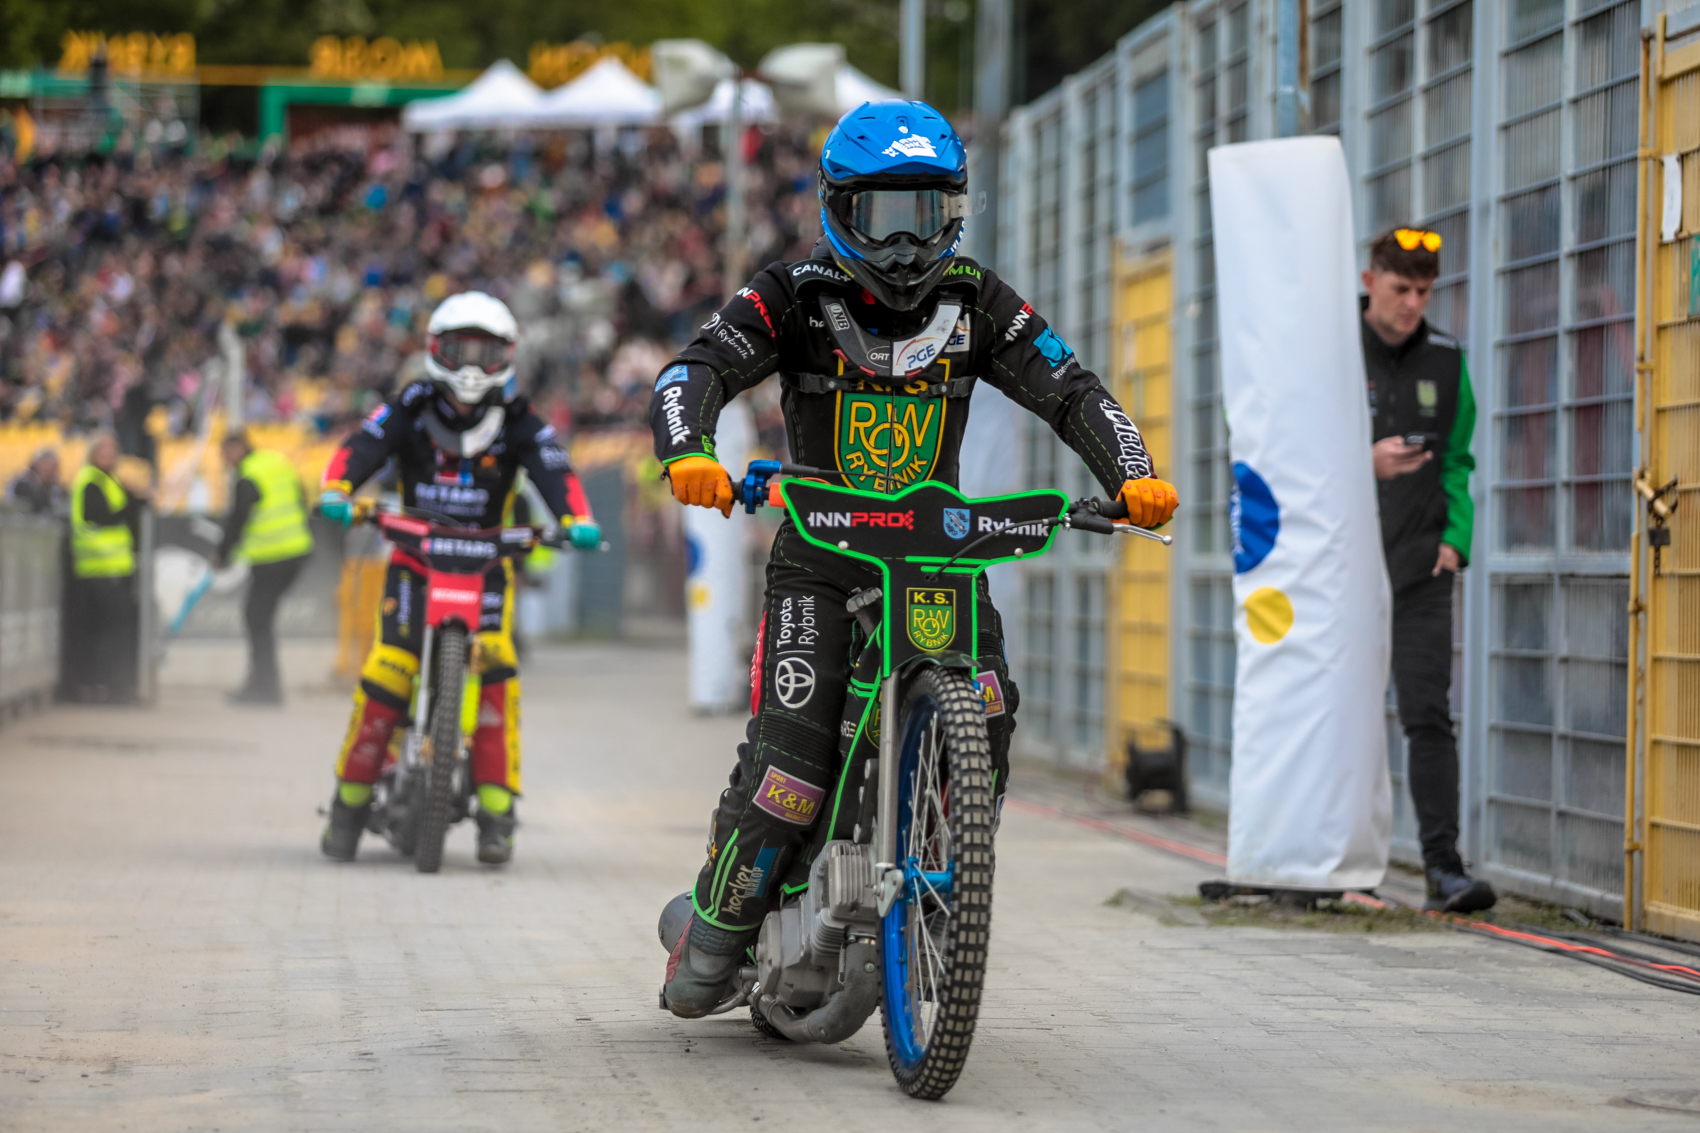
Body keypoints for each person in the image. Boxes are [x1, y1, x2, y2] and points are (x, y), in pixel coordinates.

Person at [651, 100, 1180, 1017]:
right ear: (836, 209)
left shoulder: (981, 300)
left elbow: (1071, 388)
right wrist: (689, 451)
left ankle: (942, 896)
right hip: (821, 555)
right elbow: (692, 370)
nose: (905, 246)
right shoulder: (790, 292)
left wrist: (1133, 471)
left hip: (941, 558)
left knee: (990, 712)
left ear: (956, 212)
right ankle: (714, 931)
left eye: (926, 215)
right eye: (883, 216)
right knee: (790, 769)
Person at [315, 291, 601, 865]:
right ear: (434, 351)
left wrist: (577, 519)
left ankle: (497, 816)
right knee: (387, 674)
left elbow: (555, 470)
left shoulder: (520, 420)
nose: (471, 366)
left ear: (508, 356)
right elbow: (362, 446)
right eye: (459, 349)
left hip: (487, 568)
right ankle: (347, 809)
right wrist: (338, 488)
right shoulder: (410, 405)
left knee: (495, 675)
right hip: (413, 563)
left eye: (485, 352)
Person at [1361, 226, 1494, 914]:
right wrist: (1365, 461)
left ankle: (1444, 869)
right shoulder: (1332, 348)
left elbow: (1459, 458)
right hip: (1346, 567)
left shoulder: (1446, 358)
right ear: (1369, 282)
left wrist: (1455, 540)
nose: (1412, 303)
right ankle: (1340, 864)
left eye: (1424, 291)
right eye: (1400, 288)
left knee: (1428, 715)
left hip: (1421, 566)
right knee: (1345, 714)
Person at [216, 430, 315, 705]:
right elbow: (302, 496)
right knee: (260, 617)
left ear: (235, 448)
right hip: (297, 550)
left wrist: (222, 554)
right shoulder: (277, 461)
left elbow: (238, 518)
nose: (226, 462)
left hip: (272, 555)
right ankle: (263, 685)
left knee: (256, 617)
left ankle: (263, 688)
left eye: (225, 455)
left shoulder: (248, 474)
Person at [63, 432, 148, 703]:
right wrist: (133, 501)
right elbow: (101, 516)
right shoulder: (92, 480)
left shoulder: (108, 481)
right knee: (110, 632)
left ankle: (112, 685)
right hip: (100, 568)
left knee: (113, 631)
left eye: (113, 449)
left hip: (112, 568)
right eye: (104, 449)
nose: (110, 454)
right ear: (93, 453)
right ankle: (109, 686)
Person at [9, 448, 68, 517]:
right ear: (36, 466)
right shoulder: (22, 486)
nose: (52, 472)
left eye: (55, 468)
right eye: (48, 467)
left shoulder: (56, 488)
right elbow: (32, 509)